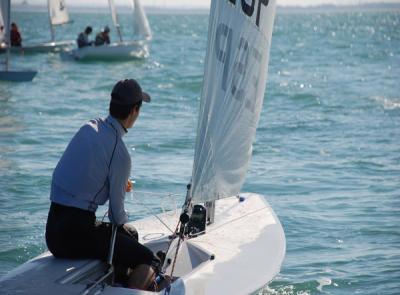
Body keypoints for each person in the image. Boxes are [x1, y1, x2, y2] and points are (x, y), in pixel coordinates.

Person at [45, 79, 159, 290]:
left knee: (129, 236)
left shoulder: (88, 128)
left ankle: (119, 283)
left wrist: (112, 185)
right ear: (134, 111)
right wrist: (117, 189)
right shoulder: (120, 152)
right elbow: (117, 217)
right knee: (149, 259)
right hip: (75, 235)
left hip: (52, 232)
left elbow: (79, 178)